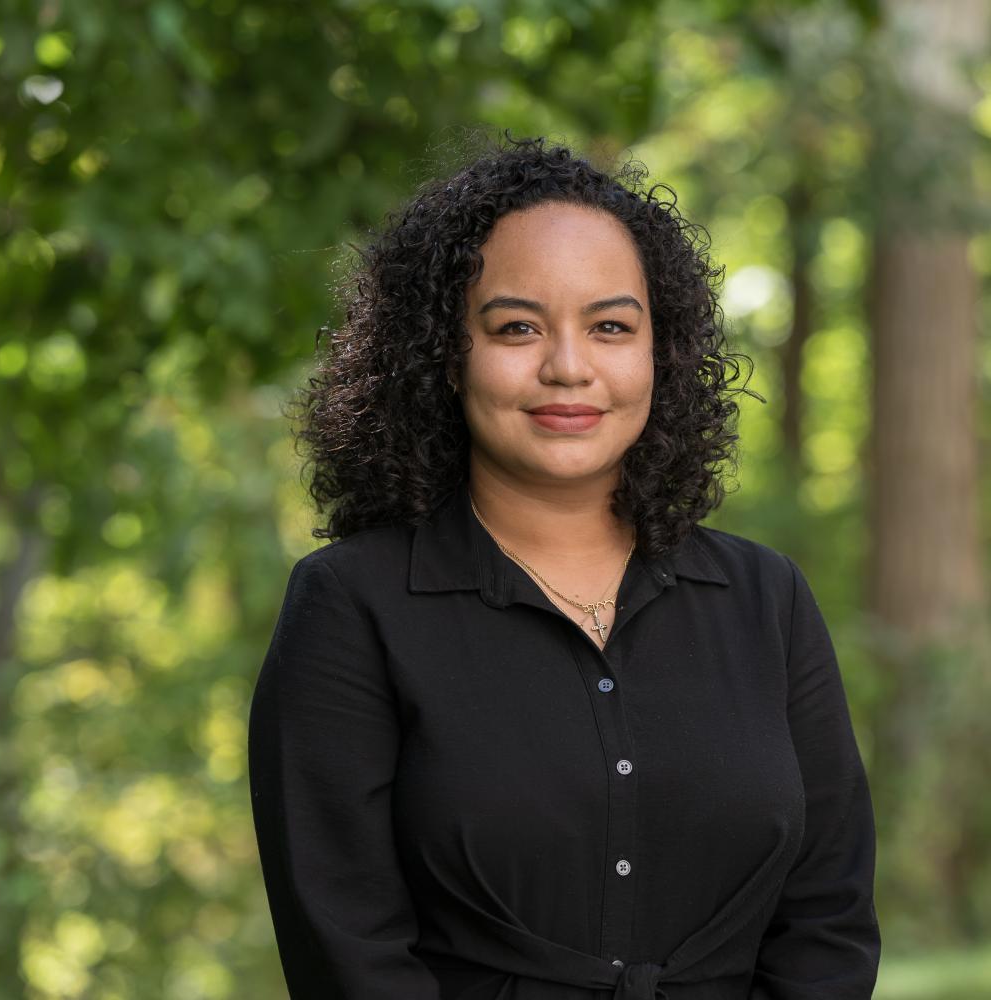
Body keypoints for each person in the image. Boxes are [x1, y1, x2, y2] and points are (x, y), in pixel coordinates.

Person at [247, 131, 881, 1000]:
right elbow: (346, 949)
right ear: (441, 351)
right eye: (517, 327)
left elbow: (831, 924)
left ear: (661, 351)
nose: (569, 367)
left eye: (611, 326)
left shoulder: (766, 601)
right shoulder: (351, 607)